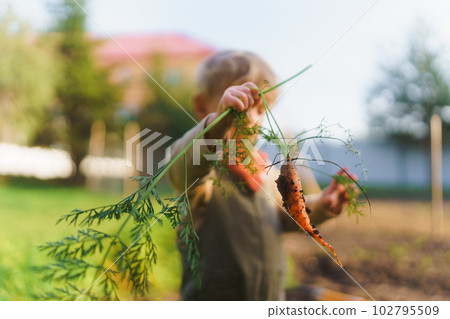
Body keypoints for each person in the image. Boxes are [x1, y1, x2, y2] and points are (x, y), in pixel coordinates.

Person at [168, 50, 353, 301]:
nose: (249, 117)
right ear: (202, 106)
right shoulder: (204, 171)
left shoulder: (266, 171)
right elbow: (182, 164)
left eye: (260, 109)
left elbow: (284, 215)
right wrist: (216, 125)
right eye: (236, 107)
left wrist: (321, 205)